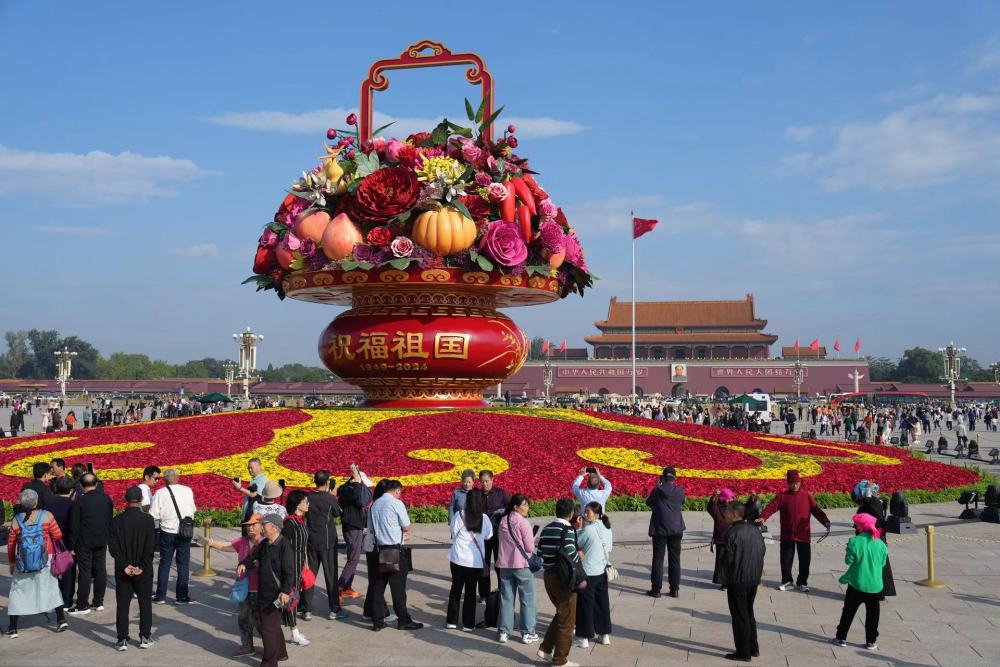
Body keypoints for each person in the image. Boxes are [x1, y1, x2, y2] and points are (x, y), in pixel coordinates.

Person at [5, 489, 69, 637]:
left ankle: (13, 627)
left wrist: (11, 562)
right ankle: (61, 620)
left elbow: (11, 544)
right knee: (51, 588)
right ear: (36, 501)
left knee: (18, 592)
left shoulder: (16, 520)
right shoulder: (47, 516)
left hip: (23, 563)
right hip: (45, 559)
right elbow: (58, 535)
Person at [758, 469, 831, 592]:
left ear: (800, 482)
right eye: (792, 483)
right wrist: (763, 517)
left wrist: (825, 521)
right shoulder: (782, 496)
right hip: (787, 533)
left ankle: (802, 582)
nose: (795, 485)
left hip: (803, 533)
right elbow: (771, 507)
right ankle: (787, 581)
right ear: (788, 483)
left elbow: (816, 510)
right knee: (786, 559)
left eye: (797, 482)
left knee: (805, 560)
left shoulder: (806, 495)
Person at [203, 514, 265, 657]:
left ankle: (271, 647)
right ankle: (247, 646)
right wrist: (210, 542)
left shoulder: (265, 543)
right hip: (243, 587)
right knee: (243, 618)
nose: (250, 527)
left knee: (260, 621)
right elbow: (226, 546)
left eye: (253, 524)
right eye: (248, 525)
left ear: (261, 526)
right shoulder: (242, 541)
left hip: (259, 588)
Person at [366, 479, 423, 632]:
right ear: (397, 491)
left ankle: (377, 621)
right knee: (398, 587)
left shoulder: (374, 505)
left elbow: (370, 528)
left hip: (379, 549)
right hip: (394, 549)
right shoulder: (396, 503)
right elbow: (406, 526)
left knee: (378, 586)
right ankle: (403, 620)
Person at [238, 514, 294, 667]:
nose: (261, 527)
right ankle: (281, 653)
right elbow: (252, 556)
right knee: (272, 625)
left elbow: (290, 572)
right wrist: (244, 563)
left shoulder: (284, 546)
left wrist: (285, 591)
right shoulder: (264, 544)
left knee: (267, 628)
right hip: (264, 592)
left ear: (275, 527)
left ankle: (269, 662)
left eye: (265, 525)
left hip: (276, 594)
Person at [109, 486, 156, 651]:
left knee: (122, 604)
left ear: (125, 500)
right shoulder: (148, 520)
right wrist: (142, 566)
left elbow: (113, 548)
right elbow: (150, 548)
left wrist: (125, 566)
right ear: (142, 499)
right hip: (143, 570)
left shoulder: (116, 521)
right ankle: (145, 636)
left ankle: (122, 639)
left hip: (123, 570)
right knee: (145, 602)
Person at [832, 513, 888, 651]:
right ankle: (871, 641)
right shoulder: (881, 543)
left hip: (857, 583)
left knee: (848, 612)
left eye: (856, 525)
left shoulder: (854, 541)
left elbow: (848, 561)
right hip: (875, 586)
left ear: (860, 527)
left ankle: (841, 637)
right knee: (873, 615)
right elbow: (882, 563)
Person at [536, 497, 581, 667]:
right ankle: (560, 660)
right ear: (570, 514)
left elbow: (539, 552)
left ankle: (546, 649)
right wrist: (579, 559)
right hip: (563, 578)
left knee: (561, 614)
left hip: (548, 576)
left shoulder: (547, 528)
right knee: (567, 620)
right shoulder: (567, 529)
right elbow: (571, 551)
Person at [721, 501, 765, 662]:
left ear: (734, 514)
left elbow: (727, 559)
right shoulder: (754, 530)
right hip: (753, 578)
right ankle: (753, 648)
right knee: (749, 613)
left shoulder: (732, 532)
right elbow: (762, 551)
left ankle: (743, 652)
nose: (724, 515)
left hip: (738, 579)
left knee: (740, 616)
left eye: (726, 512)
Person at [303, 470, 349, 622]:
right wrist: (334, 497)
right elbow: (337, 513)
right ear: (327, 482)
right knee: (331, 576)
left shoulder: (308, 497)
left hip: (311, 540)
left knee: (310, 575)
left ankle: (307, 609)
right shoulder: (329, 498)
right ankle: (334, 610)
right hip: (328, 542)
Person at [447, 486, 493, 632]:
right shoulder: (484, 518)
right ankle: (468, 624)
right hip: (474, 562)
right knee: (471, 592)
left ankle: (451, 621)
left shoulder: (459, 515)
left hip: (457, 559)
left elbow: (452, 532)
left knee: (455, 589)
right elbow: (488, 536)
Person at [67, 472, 113, 615]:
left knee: (85, 572)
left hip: (84, 541)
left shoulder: (80, 501)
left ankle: (82, 604)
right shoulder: (106, 499)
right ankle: (98, 601)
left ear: (81, 485)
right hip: (101, 539)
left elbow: (74, 526)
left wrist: (71, 545)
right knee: (100, 570)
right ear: (97, 483)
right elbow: (109, 520)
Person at [496, 493, 538, 645]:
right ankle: (527, 632)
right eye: (524, 505)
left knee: (506, 599)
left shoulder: (503, 520)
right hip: (521, 565)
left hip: (505, 564)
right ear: (516, 506)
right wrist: (533, 540)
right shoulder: (523, 523)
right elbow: (529, 547)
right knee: (527, 598)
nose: (527, 508)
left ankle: (504, 632)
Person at [150, 469, 197, 604]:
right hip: (184, 531)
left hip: (167, 531)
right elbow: (192, 509)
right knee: (183, 564)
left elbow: (154, 515)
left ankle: (161, 596)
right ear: (178, 478)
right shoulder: (187, 490)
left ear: (164, 480)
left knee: (165, 563)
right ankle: (182, 597)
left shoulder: (160, 493)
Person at [574, 501, 613, 649]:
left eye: (588, 511)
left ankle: (583, 637)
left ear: (597, 513)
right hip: (602, 571)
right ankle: (604, 635)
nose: (585, 514)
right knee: (602, 603)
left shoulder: (588, 530)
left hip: (588, 572)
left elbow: (576, 541)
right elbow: (609, 547)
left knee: (585, 604)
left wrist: (579, 527)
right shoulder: (607, 528)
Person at [646, 466, 686, 598]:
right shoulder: (680, 491)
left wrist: (658, 488)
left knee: (658, 559)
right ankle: (674, 589)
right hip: (676, 529)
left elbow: (649, 503)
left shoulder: (657, 491)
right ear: (675, 478)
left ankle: (656, 589)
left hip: (660, 529)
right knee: (675, 559)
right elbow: (682, 502)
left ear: (662, 477)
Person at [337, 464, 373, 599]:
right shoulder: (353, 492)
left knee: (354, 557)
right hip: (352, 526)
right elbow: (360, 499)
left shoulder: (347, 490)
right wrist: (357, 479)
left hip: (353, 526)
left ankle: (346, 586)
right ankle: (339, 588)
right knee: (354, 558)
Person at [280, 489, 311, 646]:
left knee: (294, 597)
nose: (308, 504)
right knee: (291, 598)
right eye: (305, 502)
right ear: (298, 504)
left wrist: (304, 560)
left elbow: (302, 545)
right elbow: (283, 546)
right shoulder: (290, 523)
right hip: (291, 566)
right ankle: (295, 633)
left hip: (299, 564)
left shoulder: (300, 520)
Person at [478, 469, 510, 600]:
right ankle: (484, 595)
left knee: (499, 564)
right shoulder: (476, 495)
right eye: (482, 482)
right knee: (483, 566)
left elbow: (510, 509)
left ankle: (502, 591)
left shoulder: (501, 494)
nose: (485, 484)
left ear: (492, 480)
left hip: (498, 536)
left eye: (487, 481)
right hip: (483, 537)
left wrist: (501, 513)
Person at [47, 476, 76, 609]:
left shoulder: (49, 503)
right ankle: (67, 600)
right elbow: (73, 527)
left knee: (51, 571)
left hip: (50, 542)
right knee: (68, 572)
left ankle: (53, 599)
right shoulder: (73, 505)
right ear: (71, 490)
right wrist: (72, 545)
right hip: (66, 543)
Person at [707, 487, 737, 590]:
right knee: (722, 561)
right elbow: (710, 507)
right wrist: (714, 496)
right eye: (729, 498)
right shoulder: (717, 508)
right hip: (721, 538)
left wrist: (753, 500)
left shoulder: (734, 507)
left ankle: (732, 581)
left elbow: (745, 510)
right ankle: (724, 582)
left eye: (732, 497)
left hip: (733, 538)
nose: (731, 499)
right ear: (724, 498)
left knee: (732, 561)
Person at [235, 457, 268, 523]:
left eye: (251, 468)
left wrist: (239, 488)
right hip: (249, 514)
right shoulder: (255, 479)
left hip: (254, 517)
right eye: (248, 468)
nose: (249, 470)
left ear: (259, 466)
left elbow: (254, 495)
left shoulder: (262, 479)